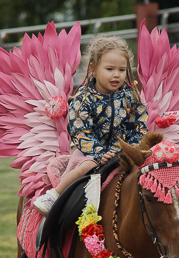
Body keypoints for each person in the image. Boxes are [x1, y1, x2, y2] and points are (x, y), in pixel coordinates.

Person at [32, 36, 147, 215]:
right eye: (109, 69)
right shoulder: (83, 99)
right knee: (86, 167)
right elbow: (81, 131)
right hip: (90, 152)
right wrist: (100, 154)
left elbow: (138, 126)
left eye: (122, 70)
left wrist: (129, 149)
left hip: (123, 152)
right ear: (93, 68)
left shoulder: (130, 98)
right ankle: (54, 195)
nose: (116, 74)